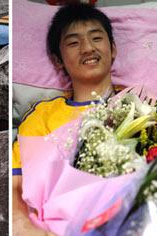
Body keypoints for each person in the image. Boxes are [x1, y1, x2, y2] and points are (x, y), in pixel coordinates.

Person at [12, 3, 119, 236]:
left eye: (96, 38)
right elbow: (16, 193)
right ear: (58, 60)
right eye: (73, 42)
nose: (88, 48)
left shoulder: (147, 106)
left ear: (113, 49)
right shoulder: (41, 119)